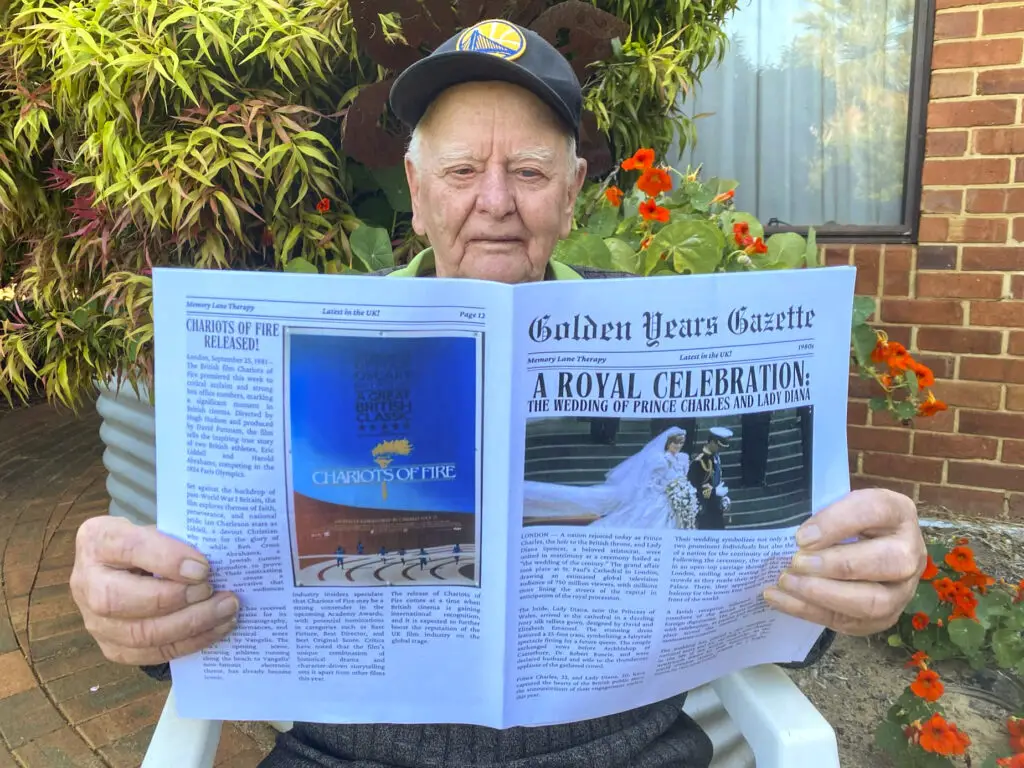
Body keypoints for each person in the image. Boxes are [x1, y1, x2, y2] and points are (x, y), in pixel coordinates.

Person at [69, 18, 927, 768]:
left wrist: (849, 587)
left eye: (525, 171)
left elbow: (773, 598)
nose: (493, 203)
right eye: (460, 171)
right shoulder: (308, 348)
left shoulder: (664, 339)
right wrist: (142, 614)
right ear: (414, 192)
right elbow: (206, 589)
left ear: (571, 192)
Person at [522, 427, 700, 529]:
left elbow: (681, 479)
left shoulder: (682, 459)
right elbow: (648, 482)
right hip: (658, 497)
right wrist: (669, 490)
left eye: (681, 443)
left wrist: (680, 491)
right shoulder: (658, 459)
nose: (677, 446)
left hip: (671, 502)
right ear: (668, 443)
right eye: (675, 442)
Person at [688, 427, 733, 530]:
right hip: (705, 511)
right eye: (719, 446)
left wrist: (722, 498)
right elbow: (695, 488)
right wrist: (714, 492)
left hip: (716, 508)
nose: (720, 449)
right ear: (712, 442)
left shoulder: (715, 457)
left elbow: (716, 480)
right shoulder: (699, 461)